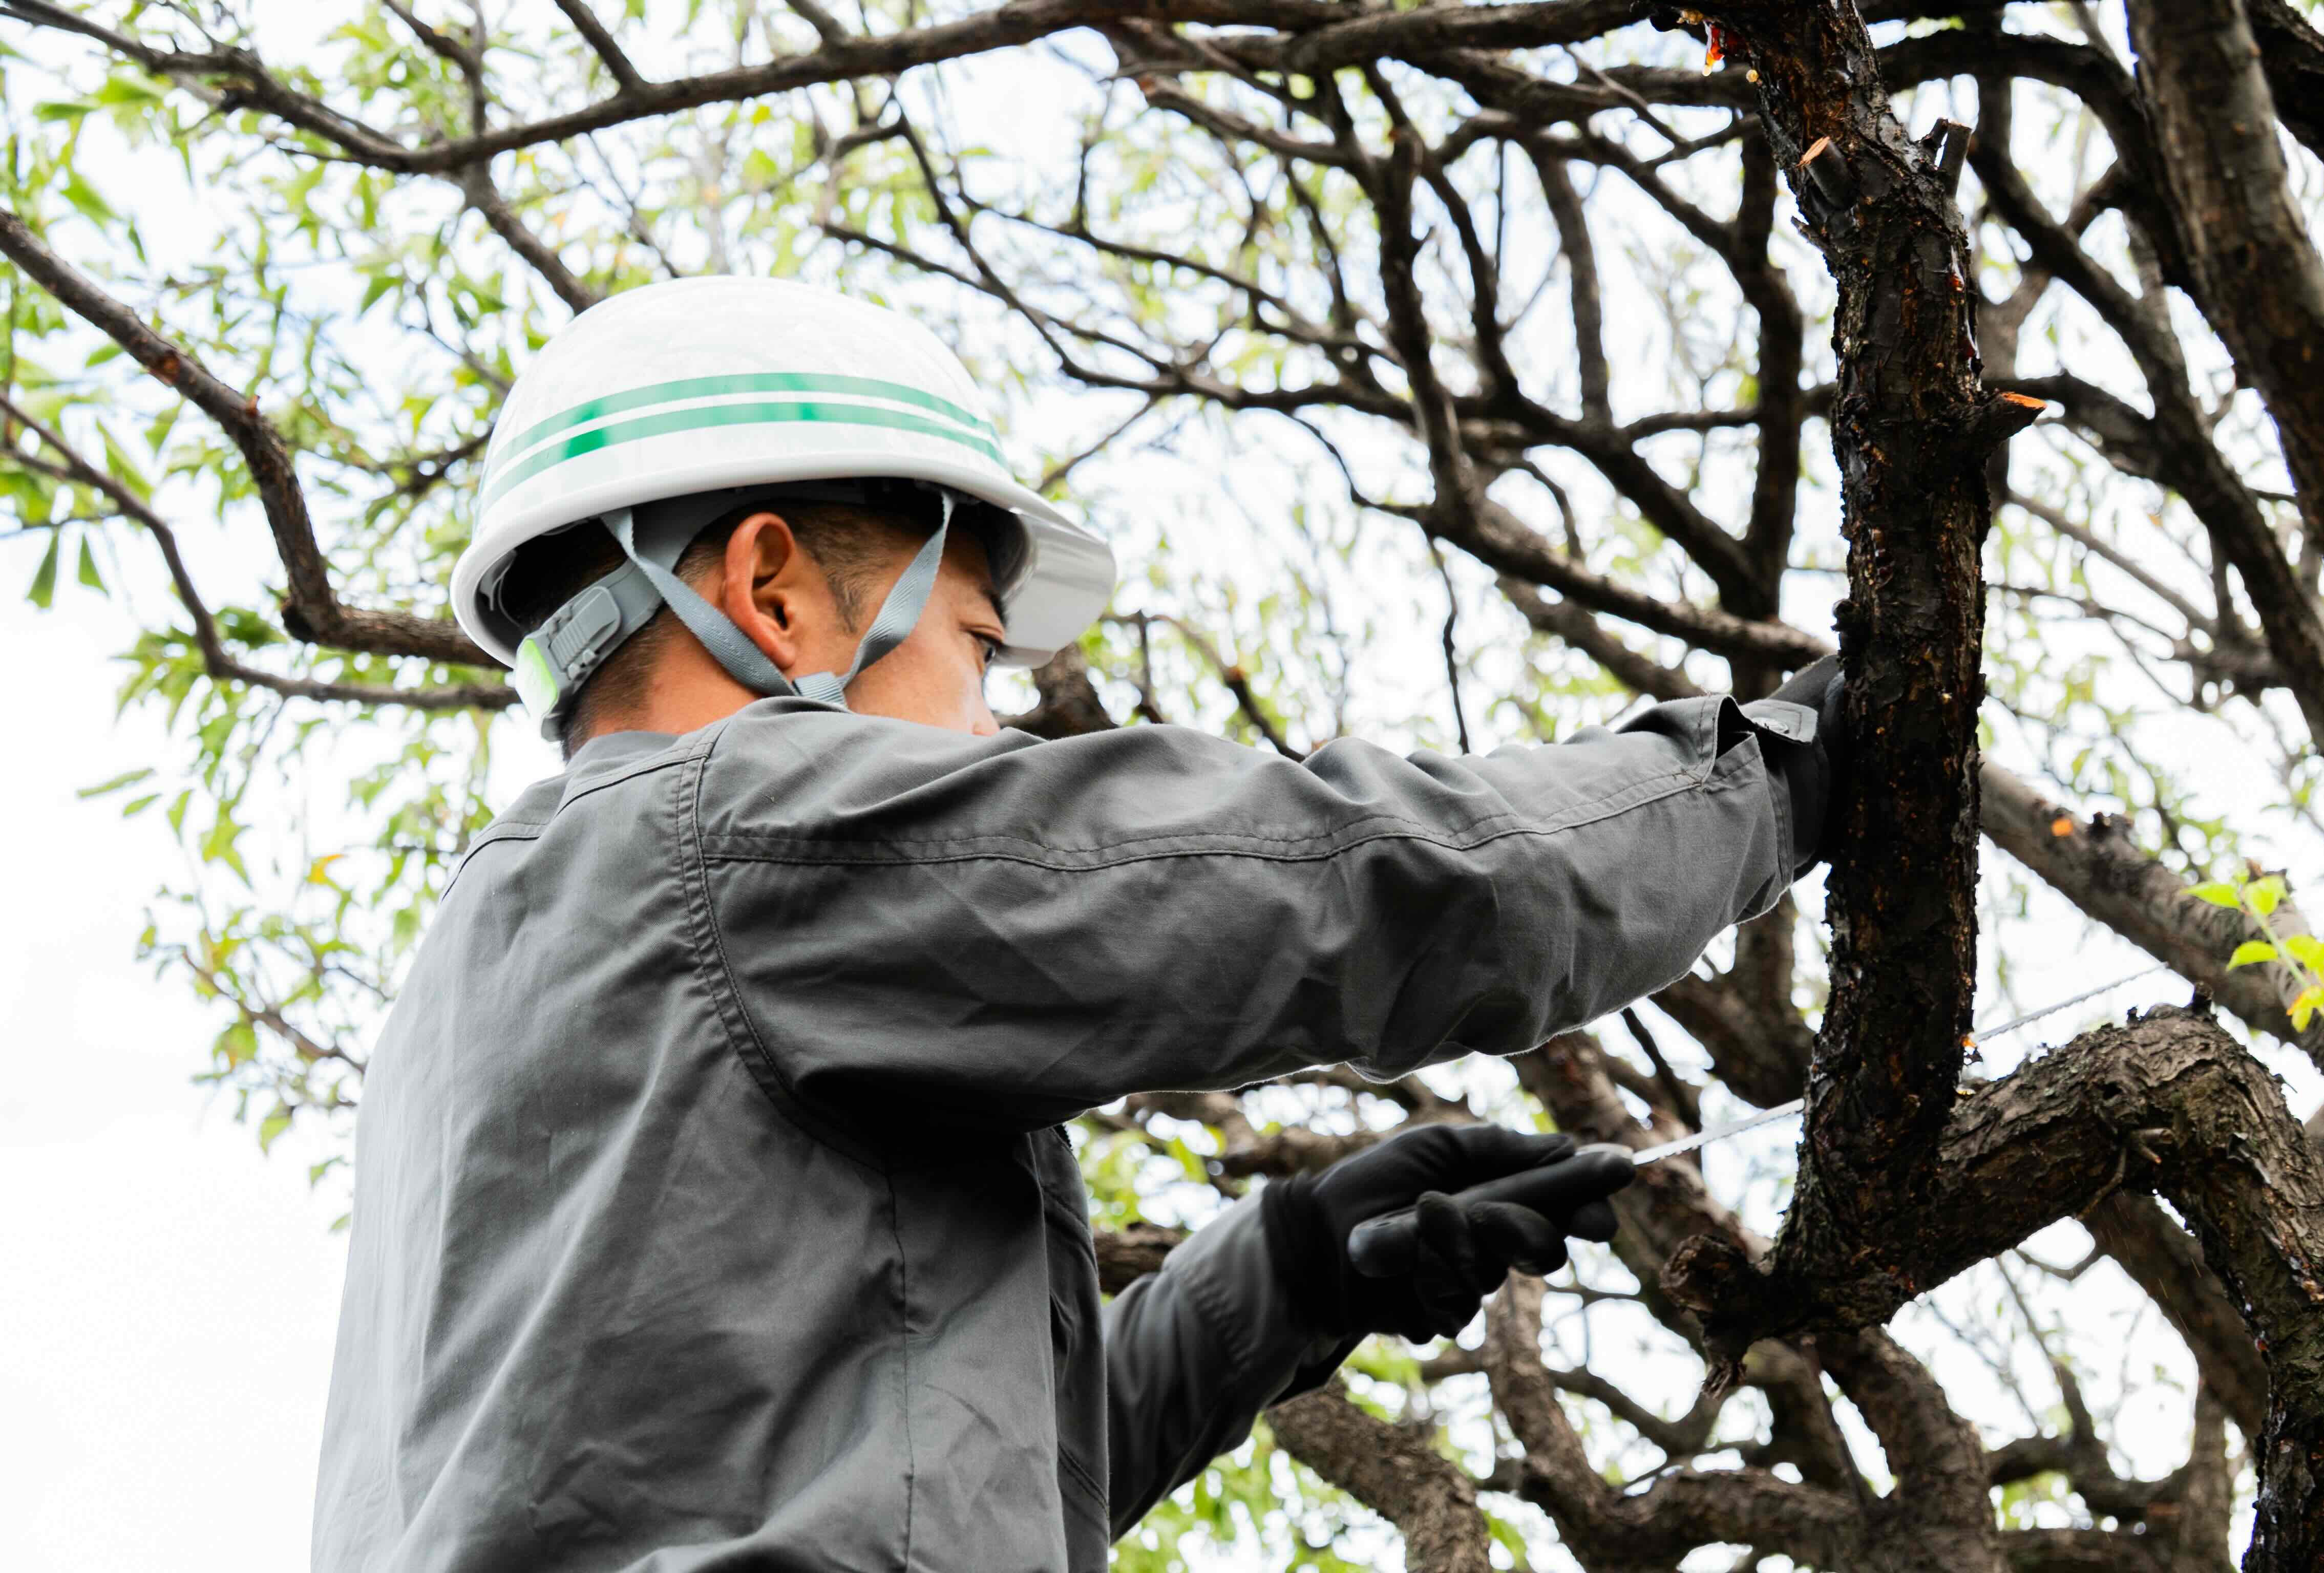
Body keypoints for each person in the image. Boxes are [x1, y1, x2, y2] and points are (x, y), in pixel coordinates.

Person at [313, 277, 1846, 1572]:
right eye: (975, 650)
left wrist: (1300, 1270)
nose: (988, 735)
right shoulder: (747, 830)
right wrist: (1778, 779)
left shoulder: (483, 978)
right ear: (771, 591)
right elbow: (1383, 885)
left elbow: (947, 1478)